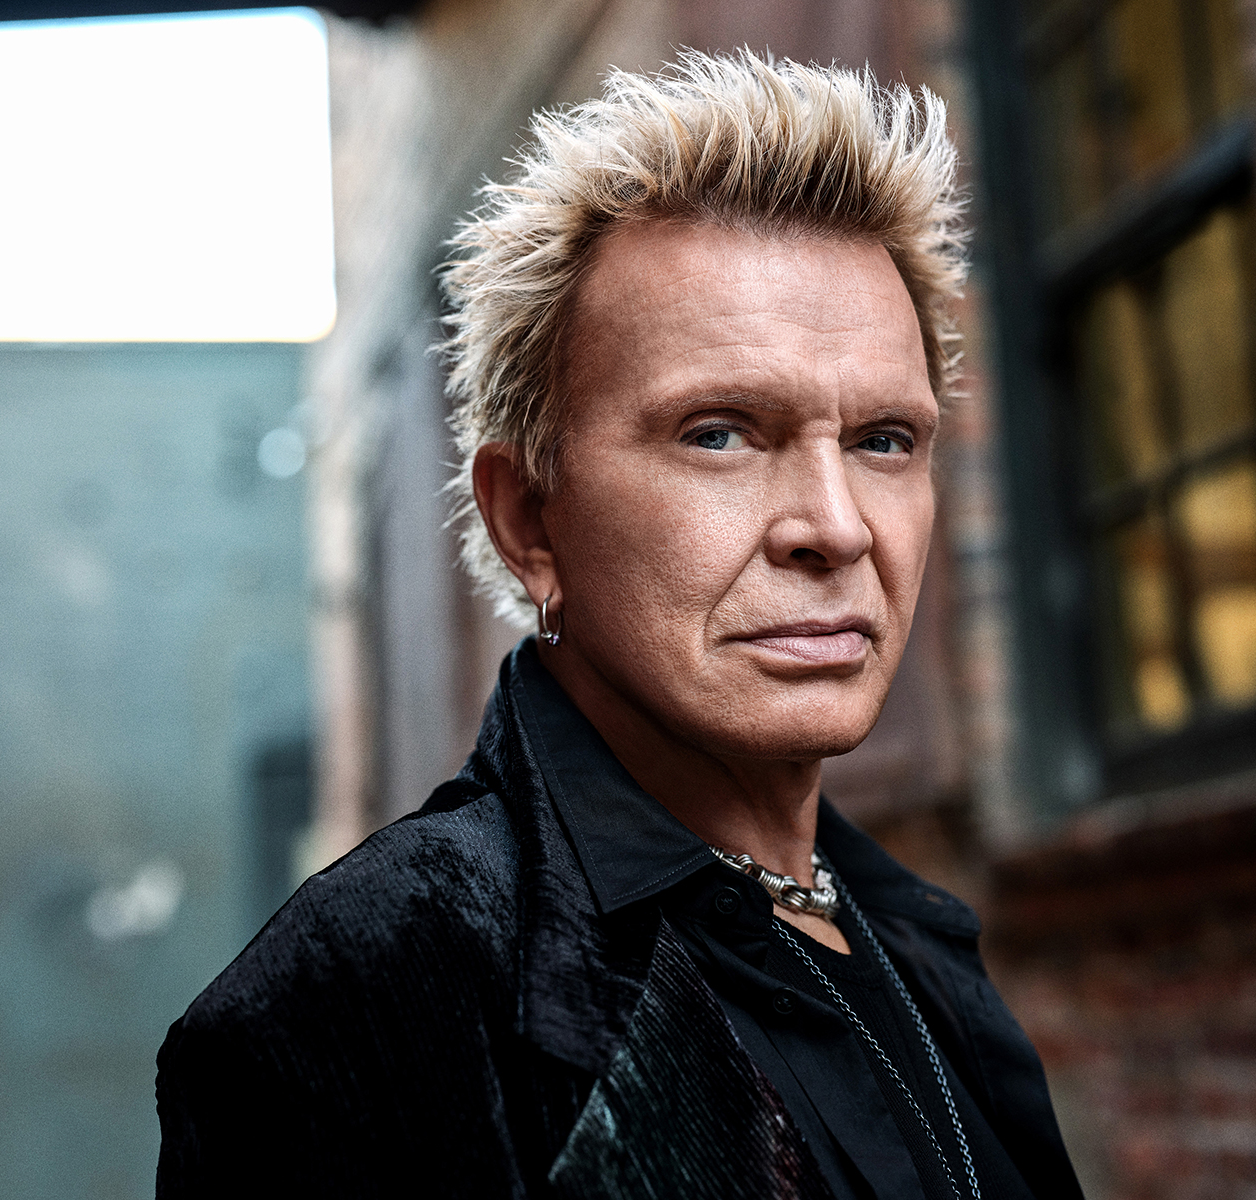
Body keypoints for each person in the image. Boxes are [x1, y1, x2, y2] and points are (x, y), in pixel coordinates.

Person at [157, 50, 1083, 1200]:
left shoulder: (911, 939)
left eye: (883, 441)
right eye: (720, 434)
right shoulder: (363, 996)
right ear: (528, 520)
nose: (838, 528)